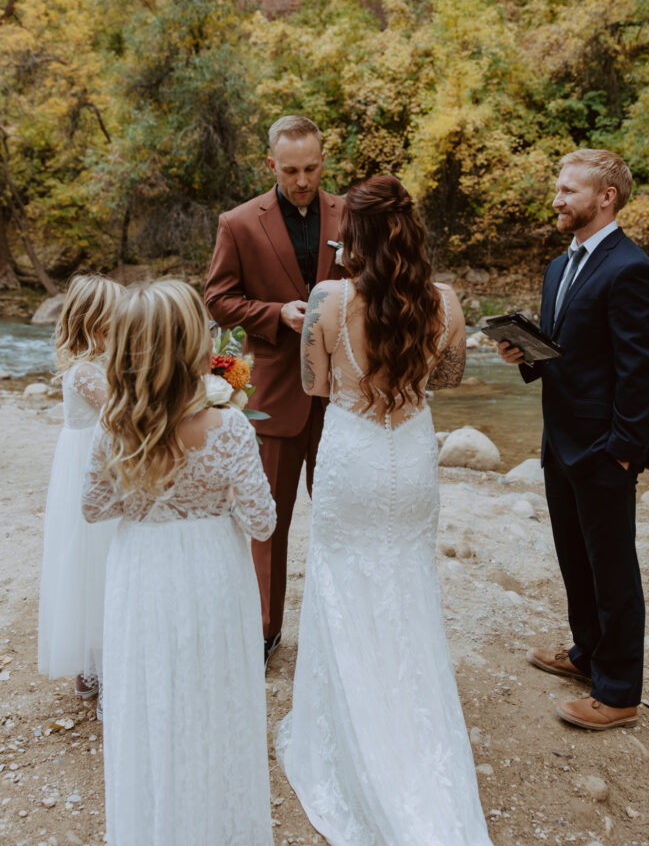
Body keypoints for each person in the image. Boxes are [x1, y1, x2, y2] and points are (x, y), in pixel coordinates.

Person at [277, 175, 494, 846]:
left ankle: (345, 736)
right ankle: (413, 724)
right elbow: (449, 377)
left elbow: (314, 383)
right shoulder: (446, 301)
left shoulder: (328, 298)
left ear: (355, 235)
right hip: (410, 459)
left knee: (343, 586)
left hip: (353, 457)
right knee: (407, 588)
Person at [81, 281, 276, 846]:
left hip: (143, 570)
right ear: (196, 344)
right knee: (215, 702)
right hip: (213, 573)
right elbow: (262, 523)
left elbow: (93, 510)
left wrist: (145, 495)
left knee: (150, 702)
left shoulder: (114, 424)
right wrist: (215, 504)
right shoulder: (232, 427)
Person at [497, 149, 649, 731]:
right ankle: (586, 655)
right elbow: (568, 357)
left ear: (606, 198)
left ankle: (618, 692)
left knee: (613, 569)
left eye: (569, 190)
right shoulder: (558, 266)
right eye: (558, 188)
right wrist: (525, 355)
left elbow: (641, 372)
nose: (557, 199)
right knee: (576, 560)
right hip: (559, 441)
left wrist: (622, 451)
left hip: (603, 451)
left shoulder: (631, 269)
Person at [204, 114, 344, 667]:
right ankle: (263, 630)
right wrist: (273, 313)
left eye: (311, 168)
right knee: (269, 519)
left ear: (322, 161)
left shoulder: (349, 213)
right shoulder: (238, 223)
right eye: (291, 170)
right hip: (275, 392)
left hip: (343, 394)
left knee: (341, 516)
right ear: (271, 165)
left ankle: (337, 634)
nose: (303, 179)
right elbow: (217, 298)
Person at [38, 272, 122, 717]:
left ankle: (91, 670)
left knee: (95, 566)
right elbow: (121, 414)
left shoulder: (101, 363)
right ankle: (104, 673)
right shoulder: (86, 372)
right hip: (93, 472)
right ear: (95, 323)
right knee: (96, 565)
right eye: (117, 318)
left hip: (97, 464)